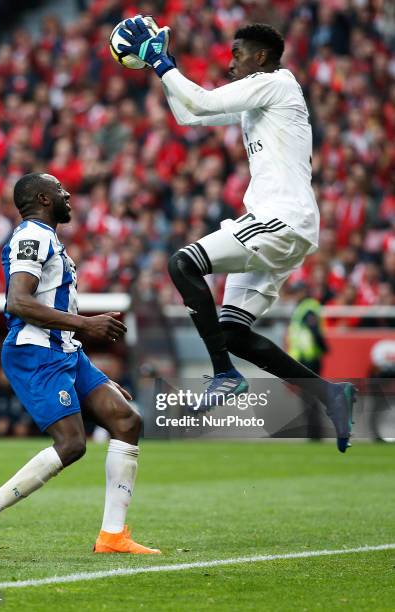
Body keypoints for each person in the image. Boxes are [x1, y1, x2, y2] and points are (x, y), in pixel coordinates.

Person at [118, 19, 355, 452]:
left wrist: (161, 60)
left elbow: (203, 100)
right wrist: (160, 68)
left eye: (237, 54)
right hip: (282, 225)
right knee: (232, 331)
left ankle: (224, 374)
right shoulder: (259, 100)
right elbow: (190, 114)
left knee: (182, 263)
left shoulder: (277, 83)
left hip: (279, 218)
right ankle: (329, 394)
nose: (231, 64)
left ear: (260, 57)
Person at [0, 172, 160, 556]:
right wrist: (88, 323)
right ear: (43, 199)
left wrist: (88, 361)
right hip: (36, 352)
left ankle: (112, 536)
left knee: (126, 421)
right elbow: (19, 301)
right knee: (72, 443)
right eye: (60, 190)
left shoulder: (50, 238)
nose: (67, 194)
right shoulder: (32, 236)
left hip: (65, 350)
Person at [287, 282, 329, 440]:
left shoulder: (308, 307)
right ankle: (314, 433)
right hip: (306, 359)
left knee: (309, 397)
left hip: (309, 359)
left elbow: (314, 331)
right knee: (308, 397)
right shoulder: (304, 307)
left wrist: (323, 347)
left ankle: (315, 434)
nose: (296, 294)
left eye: (298, 291)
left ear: (305, 290)